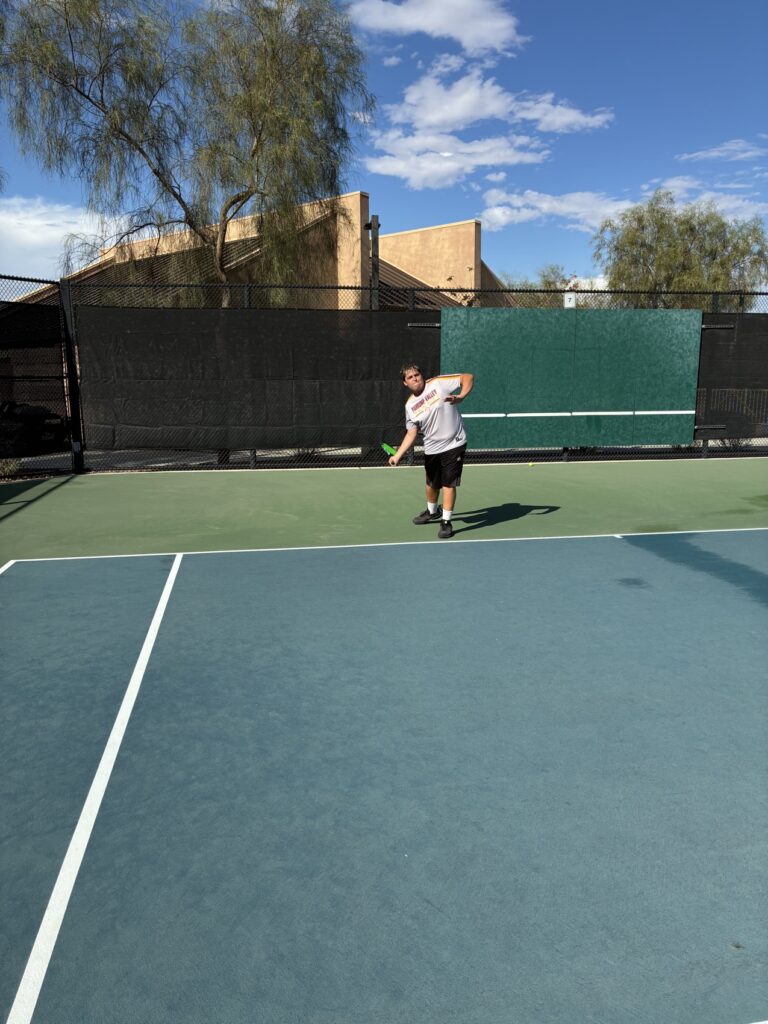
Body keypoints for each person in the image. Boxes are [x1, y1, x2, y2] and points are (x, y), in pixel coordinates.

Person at [388, 364, 474, 539]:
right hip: (432, 447)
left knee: (448, 483)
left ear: (421, 375)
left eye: (417, 374)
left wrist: (461, 396)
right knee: (432, 484)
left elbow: (468, 377)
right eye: (410, 377)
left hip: (454, 442)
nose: (415, 378)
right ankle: (432, 511)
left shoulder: (438, 383)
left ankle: (446, 521)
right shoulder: (410, 406)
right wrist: (398, 455)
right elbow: (411, 433)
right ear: (405, 383)